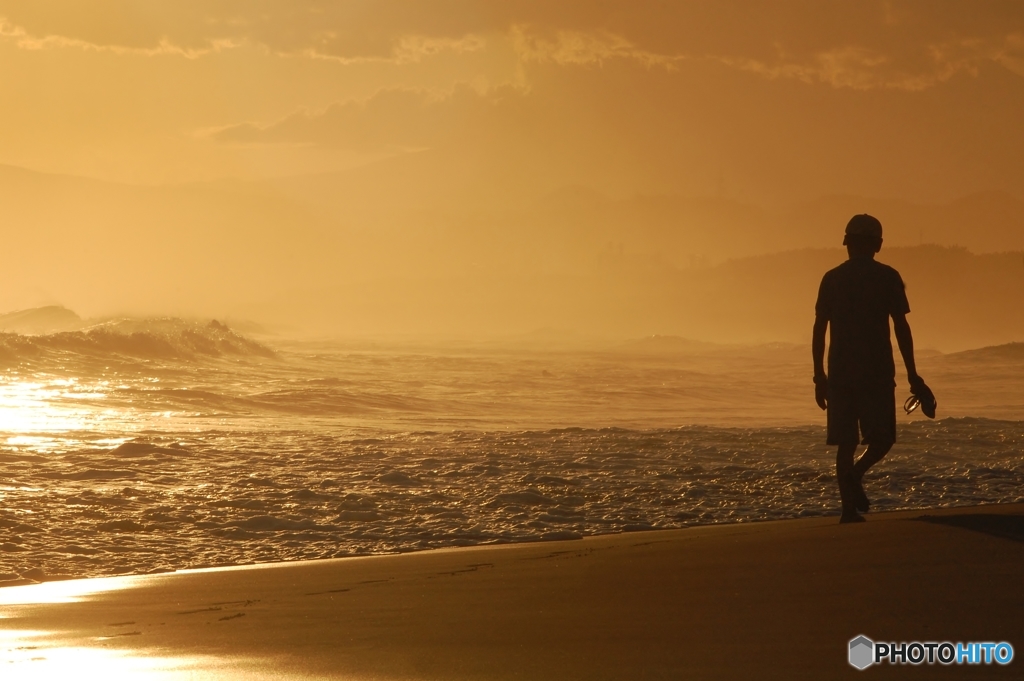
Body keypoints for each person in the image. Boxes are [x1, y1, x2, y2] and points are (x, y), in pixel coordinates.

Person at [812, 214, 936, 524]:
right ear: (878, 245)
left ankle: (847, 509)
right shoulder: (888, 277)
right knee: (882, 439)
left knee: (846, 442)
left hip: (840, 371)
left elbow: (819, 330)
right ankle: (856, 474)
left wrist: (819, 375)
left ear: (847, 243)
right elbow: (901, 328)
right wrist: (913, 373)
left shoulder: (831, 278)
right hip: (877, 371)